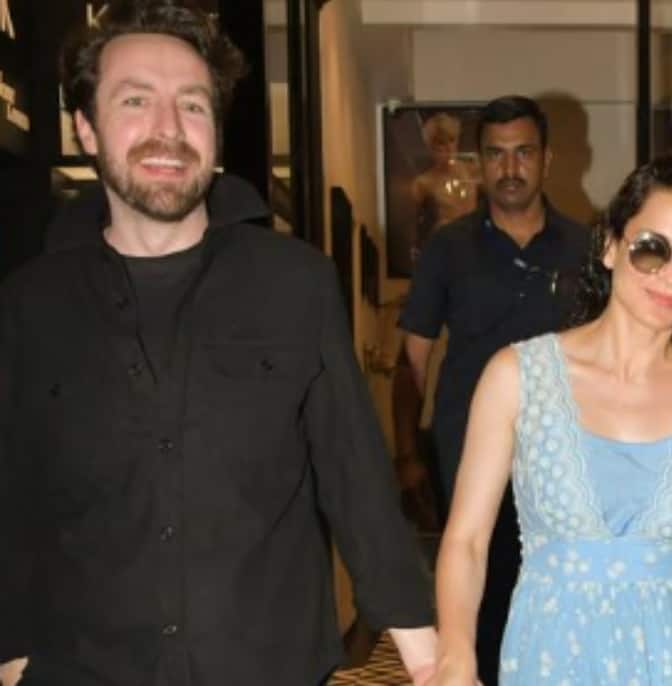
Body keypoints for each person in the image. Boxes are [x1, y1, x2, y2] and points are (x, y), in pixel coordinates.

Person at [0, 2, 436, 685]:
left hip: (265, 666)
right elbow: (13, 493)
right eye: (136, 101)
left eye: (193, 105)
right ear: (86, 127)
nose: (169, 129)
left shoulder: (295, 283)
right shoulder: (31, 304)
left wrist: (430, 661)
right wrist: (11, 653)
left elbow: (355, 477)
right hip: (82, 668)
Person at [433, 155, 672, 684]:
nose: (671, 277)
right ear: (610, 246)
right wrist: (456, 653)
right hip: (557, 658)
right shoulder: (518, 377)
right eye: (652, 249)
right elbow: (466, 540)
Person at [398, 95, 590, 686]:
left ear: (547, 159)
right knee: (478, 611)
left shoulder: (588, 248)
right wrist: (408, 457)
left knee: (559, 611)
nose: (510, 168)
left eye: (523, 152)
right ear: (479, 163)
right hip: (469, 460)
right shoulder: (447, 249)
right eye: (496, 154)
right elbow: (412, 361)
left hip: (567, 466)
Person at [410, 111, 481, 261]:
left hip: (473, 243)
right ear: (431, 147)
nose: (448, 147)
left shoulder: (473, 170)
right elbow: (415, 227)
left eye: (452, 140)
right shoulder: (423, 182)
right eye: (441, 143)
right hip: (445, 245)